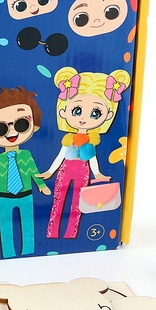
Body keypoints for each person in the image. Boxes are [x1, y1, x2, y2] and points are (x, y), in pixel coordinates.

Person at [38, 66, 131, 239]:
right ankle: (52, 232)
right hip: (65, 169)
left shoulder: (91, 140)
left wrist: (98, 173)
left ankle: (71, 233)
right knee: (59, 199)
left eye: (95, 113)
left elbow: (92, 158)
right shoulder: (69, 138)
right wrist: (50, 171)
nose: (83, 118)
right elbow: (60, 155)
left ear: (108, 115)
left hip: (83, 171)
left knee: (77, 202)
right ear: (63, 111)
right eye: (77, 110)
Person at [0, 87, 50, 258]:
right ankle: (8, 253)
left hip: (26, 194)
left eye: (21, 124)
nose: (11, 131)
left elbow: (33, 171)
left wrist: (41, 185)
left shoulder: (26, 155)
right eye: (0, 128)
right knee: (5, 227)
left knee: (28, 224)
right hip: (4, 197)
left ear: (34, 125)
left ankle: (28, 251)